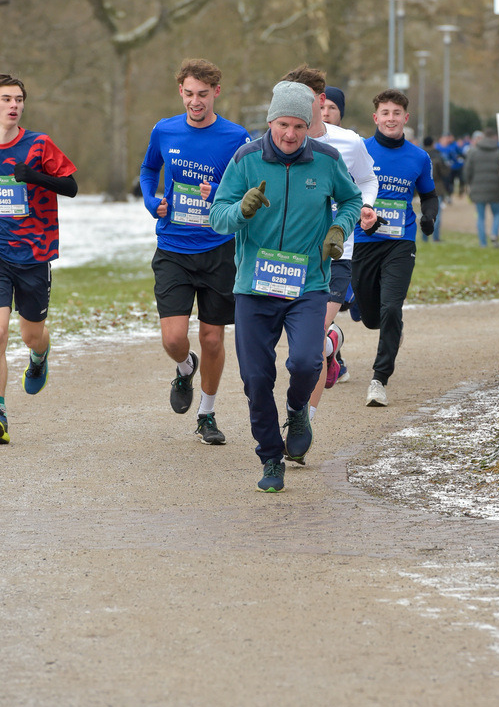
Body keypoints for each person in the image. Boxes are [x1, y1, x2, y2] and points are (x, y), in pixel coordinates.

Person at [209, 80, 362, 492]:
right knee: (257, 379)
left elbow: (351, 201)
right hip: (254, 287)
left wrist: (338, 228)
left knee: (307, 362)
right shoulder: (245, 160)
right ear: (270, 122)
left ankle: (297, 410)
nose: (291, 134)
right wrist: (240, 210)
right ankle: (271, 457)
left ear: (309, 124)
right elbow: (217, 216)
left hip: (308, 283)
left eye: (299, 125)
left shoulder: (327, 161)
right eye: (282, 126)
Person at [139, 58, 250, 444]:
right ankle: (185, 369)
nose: (195, 101)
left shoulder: (236, 137)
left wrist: (221, 193)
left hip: (219, 248)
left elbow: (247, 189)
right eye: (189, 94)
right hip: (173, 247)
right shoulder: (164, 130)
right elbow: (148, 170)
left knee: (213, 339)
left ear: (216, 92)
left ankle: (207, 413)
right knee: (173, 339)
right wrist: (152, 203)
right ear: (180, 92)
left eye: (203, 94)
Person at [279, 68, 378, 409]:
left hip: (338, 252)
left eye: (302, 98)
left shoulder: (349, 142)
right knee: (299, 344)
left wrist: (365, 207)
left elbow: (367, 179)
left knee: (311, 335)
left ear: (321, 102)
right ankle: (332, 342)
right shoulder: (280, 141)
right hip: (292, 255)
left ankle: (304, 419)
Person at [0, 73, 77, 444]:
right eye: (5, 99)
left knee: (31, 336)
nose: (13, 105)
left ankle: (40, 356)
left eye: (18, 99)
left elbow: (72, 187)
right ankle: (0, 413)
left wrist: (33, 176)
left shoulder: (39, 144)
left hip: (33, 254)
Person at [352, 88, 438, 407]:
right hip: (363, 242)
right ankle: (390, 327)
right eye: (385, 113)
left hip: (400, 243)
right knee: (373, 317)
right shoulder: (359, 150)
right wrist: (362, 214)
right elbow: (345, 191)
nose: (391, 118)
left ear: (405, 118)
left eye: (396, 113)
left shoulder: (418, 157)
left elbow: (429, 195)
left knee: (391, 308)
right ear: (376, 118)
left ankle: (379, 379)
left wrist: (428, 218)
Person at [463, 126, 499, 248]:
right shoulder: (498, 152)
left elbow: (467, 171)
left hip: (477, 188)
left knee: (480, 216)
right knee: (497, 214)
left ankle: (483, 243)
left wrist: (468, 183)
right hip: (495, 187)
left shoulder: (474, 151)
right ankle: (494, 234)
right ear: (494, 137)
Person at [422, 136, 450, 242]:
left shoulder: (419, 155)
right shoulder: (438, 155)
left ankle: (424, 237)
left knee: (424, 213)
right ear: (433, 143)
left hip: (422, 188)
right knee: (436, 214)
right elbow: (444, 172)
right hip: (436, 188)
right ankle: (435, 237)